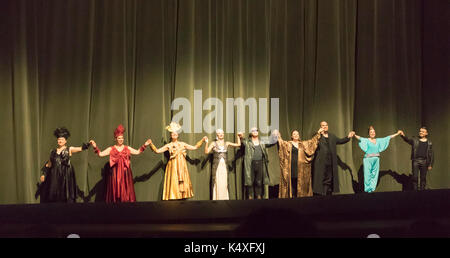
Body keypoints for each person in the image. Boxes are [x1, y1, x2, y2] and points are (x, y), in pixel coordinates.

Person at [90, 124, 151, 203]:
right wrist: (95, 146)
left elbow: (137, 152)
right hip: (115, 174)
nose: (121, 139)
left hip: (125, 174)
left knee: (126, 189)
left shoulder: (127, 148)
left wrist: (145, 145)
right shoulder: (111, 149)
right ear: (116, 139)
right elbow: (101, 154)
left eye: (122, 138)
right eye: (119, 138)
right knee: (115, 189)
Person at [148, 122, 207, 200]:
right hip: (172, 165)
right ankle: (173, 196)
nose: (174, 134)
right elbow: (157, 151)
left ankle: (181, 196)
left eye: (175, 133)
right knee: (173, 180)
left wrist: (202, 140)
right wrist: (151, 144)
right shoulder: (168, 145)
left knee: (181, 182)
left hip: (181, 165)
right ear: (171, 135)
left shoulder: (182, 144)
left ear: (178, 135)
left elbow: (194, 147)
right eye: (172, 133)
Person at [40, 127, 90, 203]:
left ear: (65, 141)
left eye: (62, 139)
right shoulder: (53, 151)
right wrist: (44, 174)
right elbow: (49, 164)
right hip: (55, 175)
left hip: (65, 174)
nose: (60, 141)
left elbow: (81, 148)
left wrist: (89, 144)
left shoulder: (69, 149)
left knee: (65, 194)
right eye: (59, 139)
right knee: (54, 195)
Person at [273, 127, 323, 198]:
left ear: (299, 136)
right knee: (292, 183)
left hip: (301, 168)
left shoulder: (303, 144)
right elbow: (281, 143)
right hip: (291, 167)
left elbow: (312, 142)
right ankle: (292, 199)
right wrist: (278, 135)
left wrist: (318, 133)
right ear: (292, 136)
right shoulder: (288, 144)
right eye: (294, 134)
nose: (296, 135)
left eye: (297, 134)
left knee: (300, 183)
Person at [354, 126, 402, 193]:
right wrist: (354, 134)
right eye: (371, 132)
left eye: (373, 132)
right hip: (368, 159)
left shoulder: (378, 140)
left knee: (374, 175)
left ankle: (371, 190)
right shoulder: (366, 140)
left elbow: (388, 137)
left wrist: (397, 133)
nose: (372, 133)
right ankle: (367, 190)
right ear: (368, 134)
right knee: (367, 174)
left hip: (376, 159)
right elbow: (360, 138)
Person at [312, 121, 355, 196]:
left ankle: (327, 194)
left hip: (330, 161)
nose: (325, 126)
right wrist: (318, 133)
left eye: (326, 125)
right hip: (321, 162)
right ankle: (321, 194)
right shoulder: (317, 136)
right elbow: (312, 143)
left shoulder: (332, 136)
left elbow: (340, 141)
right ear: (320, 127)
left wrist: (348, 137)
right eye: (323, 125)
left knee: (329, 178)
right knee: (321, 178)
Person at [238, 127, 275, 200]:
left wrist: (275, 136)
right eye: (253, 130)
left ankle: (258, 196)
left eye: (256, 130)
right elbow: (241, 140)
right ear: (251, 133)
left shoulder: (262, 142)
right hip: (250, 164)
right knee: (250, 181)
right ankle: (250, 196)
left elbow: (271, 142)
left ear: (258, 132)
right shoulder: (247, 142)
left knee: (259, 181)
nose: (255, 131)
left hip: (260, 163)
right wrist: (240, 136)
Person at [204, 129, 241, 200]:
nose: (221, 134)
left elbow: (238, 144)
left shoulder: (226, 143)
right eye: (219, 133)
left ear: (223, 134)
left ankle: (224, 198)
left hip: (224, 166)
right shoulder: (213, 143)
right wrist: (206, 143)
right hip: (216, 167)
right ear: (217, 134)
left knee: (224, 182)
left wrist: (238, 136)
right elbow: (206, 152)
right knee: (217, 181)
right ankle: (217, 198)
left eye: (222, 133)